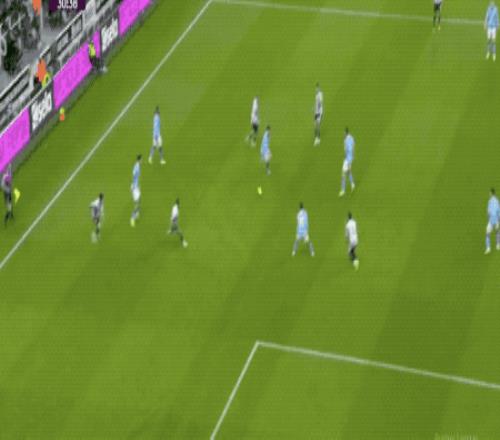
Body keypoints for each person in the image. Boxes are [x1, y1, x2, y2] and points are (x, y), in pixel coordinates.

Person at [339, 127, 355, 197]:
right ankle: (352, 183)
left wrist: (347, 160)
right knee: (348, 172)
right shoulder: (352, 137)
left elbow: (347, 150)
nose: (343, 134)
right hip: (351, 158)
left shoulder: (345, 140)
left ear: (346, 133)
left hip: (347, 159)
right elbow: (353, 147)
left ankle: (343, 190)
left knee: (343, 174)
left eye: (343, 133)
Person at [485, 188, 500, 254]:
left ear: (491, 193)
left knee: (487, 234)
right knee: (497, 232)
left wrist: (488, 218)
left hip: (491, 220)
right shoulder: (497, 201)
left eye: (489, 193)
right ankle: (498, 245)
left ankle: (488, 248)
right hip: (496, 220)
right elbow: (499, 211)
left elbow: (488, 212)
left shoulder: (490, 201)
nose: (489, 194)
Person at [130, 155, 142, 227]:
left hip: (136, 186)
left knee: (139, 200)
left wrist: (138, 186)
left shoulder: (138, 166)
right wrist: (134, 186)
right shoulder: (136, 167)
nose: (142, 161)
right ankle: (132, 217)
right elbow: (134, 176)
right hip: (135, 187)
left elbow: (136, 177)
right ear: (139, 160)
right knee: (136, 204)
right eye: (141, 160)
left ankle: (137, 213)